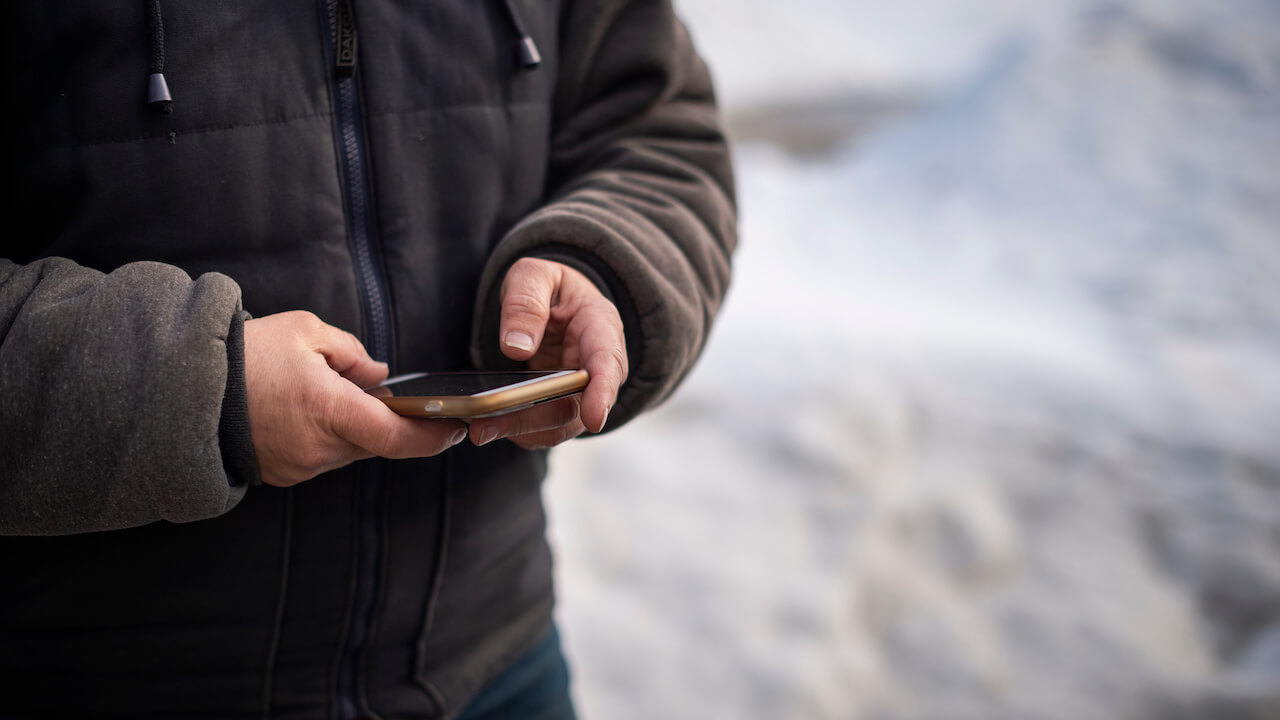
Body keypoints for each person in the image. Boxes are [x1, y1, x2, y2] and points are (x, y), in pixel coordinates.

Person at [0, 1, 735, 717]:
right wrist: (200, 391)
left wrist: (601, 261)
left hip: (495, 657)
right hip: (93, 679)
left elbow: (658, 128)